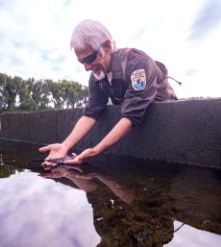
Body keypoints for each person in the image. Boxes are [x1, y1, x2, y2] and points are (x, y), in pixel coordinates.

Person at [39, 19, 179, 167]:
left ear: (107, 46)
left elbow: (131, 115)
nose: (86, 67)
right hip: (133, 117)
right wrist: (64, 146)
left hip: (167, 123)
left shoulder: (137, 63)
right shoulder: (96, 79)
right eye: (81, 62)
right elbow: (90, 114)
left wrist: (94, 151)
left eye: (90, 58)